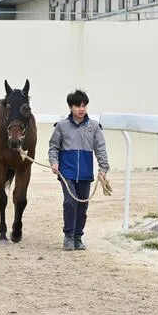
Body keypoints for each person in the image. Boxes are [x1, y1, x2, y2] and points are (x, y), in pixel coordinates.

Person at [48, 89, 109, 251]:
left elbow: (100, 148)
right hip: (66, 172)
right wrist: (54, 162)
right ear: (70, 107)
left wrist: (103, 169)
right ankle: (68, 236)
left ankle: (77, 237)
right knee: (70, 202)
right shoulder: (61, 126)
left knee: (82, 206)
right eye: (78, 106)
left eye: (84, 105)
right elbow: (53, 147)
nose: (81, 109)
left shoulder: (94, 126)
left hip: (85, 173)